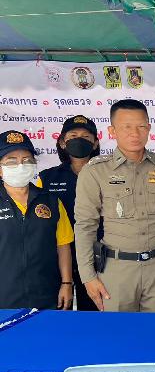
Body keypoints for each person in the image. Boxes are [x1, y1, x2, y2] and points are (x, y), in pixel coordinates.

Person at [74, 99, 155, 312]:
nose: (135, 133)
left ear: (149, 128)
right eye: (126, 126)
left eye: (141, 126)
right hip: (117, 271)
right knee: (118, 332)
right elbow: (85, 226)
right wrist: (88, 276)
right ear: (112, 131)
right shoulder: (95, 171)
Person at [0, 130, 74, 310]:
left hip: (46, 294)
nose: (20, 165)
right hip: (4, 295)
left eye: (27, 160)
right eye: (11, 161)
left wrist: (67, 283)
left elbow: (63, 246)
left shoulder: (51, 201)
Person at [39, 115, 102, 311]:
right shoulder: (47, 178)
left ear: (95, 143)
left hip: (97, 257)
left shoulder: (107, 175)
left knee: (94, 314)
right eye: (73, 136)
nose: (79, 140)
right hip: (59, 256)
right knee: (58, 312)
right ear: (62, 142)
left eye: (86, 137)